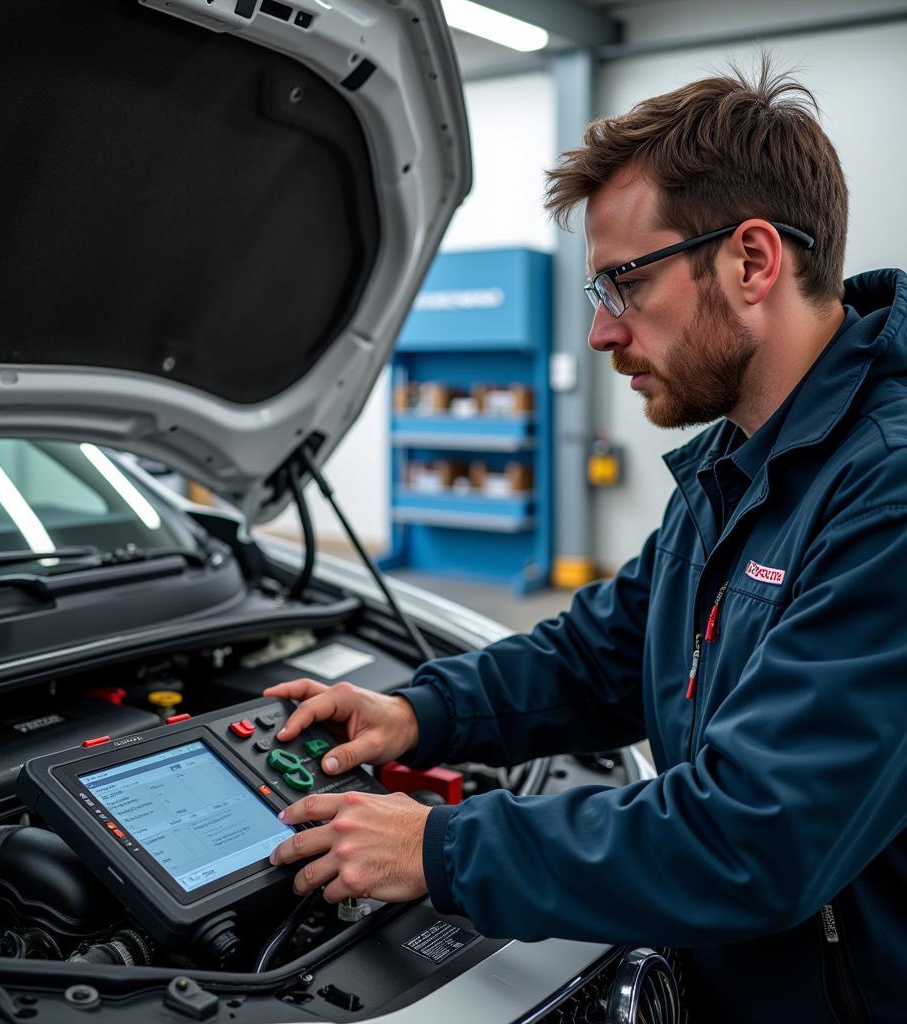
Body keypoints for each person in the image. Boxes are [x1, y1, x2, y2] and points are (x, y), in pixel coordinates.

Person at [266, 60, 907, 1022]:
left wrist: (439, 849)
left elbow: (759, 841)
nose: (604, 333)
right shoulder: (739, 460)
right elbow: (603, 653)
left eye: (625, 283)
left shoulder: (886, 486)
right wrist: (417, 713)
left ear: (751, 261)